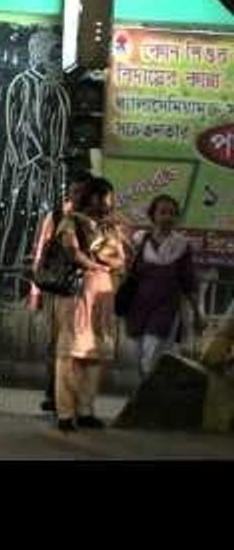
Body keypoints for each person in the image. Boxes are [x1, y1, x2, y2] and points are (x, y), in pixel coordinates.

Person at [53, 177, 126, 433]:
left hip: (103, 294)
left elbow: (120, 259)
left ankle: (85, 410)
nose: (110, 202)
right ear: (95, 197)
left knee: (96, 355)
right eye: (107, 196)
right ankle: (65, 413)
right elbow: (72, 252)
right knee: (70, 353)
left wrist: (101, 258)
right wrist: (97, 263)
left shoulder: (112, 227)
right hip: (78, 293)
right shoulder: (71, 221)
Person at [28, 169, 93, 413]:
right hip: (57, 288)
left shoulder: (93, 220)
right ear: (69, 191)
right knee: (56, 343)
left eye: (84, 193)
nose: (79, 197)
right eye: (76, 191)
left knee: (80, 345)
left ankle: (72, 396)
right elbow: (41, 253)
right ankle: (53, 393)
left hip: (86, 291)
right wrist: (35, 292)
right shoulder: (56, 216)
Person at [124, 195, 200, 378]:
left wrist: (197, 312)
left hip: (165, 308)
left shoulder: (182, 246)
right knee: (137, 355)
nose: (168, 217)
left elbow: (188, 281)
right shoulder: (139, 241)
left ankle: (148, 397)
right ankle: (144, 393)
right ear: (153, 215)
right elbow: (127, 270)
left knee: (152, 351)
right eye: (163, 212)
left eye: (172, 213)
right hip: (138, 307)